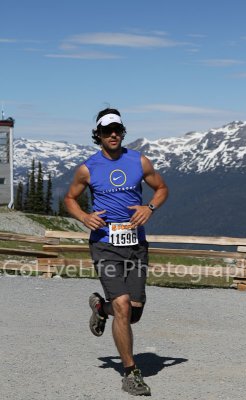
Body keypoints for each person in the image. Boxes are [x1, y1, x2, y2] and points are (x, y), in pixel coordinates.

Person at [64, 107, 168, 396]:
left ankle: (100, 307)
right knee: (122, 305)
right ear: (97, 134)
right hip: (104, 243)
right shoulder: (87, 168)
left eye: (117, 130)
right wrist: (84, 217)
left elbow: (162, 188)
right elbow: (70, 198)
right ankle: (131, 372)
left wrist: (149, 208)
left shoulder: (139, 161)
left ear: (123, 132)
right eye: (107, 130)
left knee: (132, 313)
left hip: (135, 244)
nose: (113, 134)